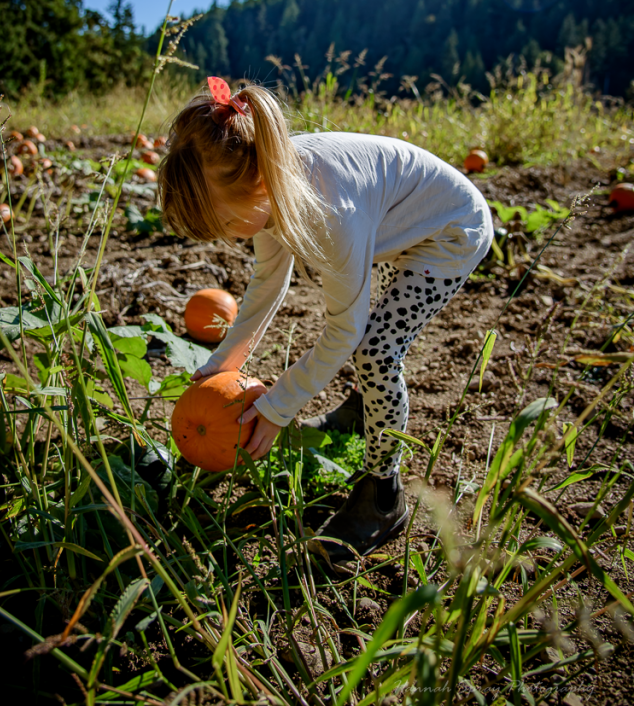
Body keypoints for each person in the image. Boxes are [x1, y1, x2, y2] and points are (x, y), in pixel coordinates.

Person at [158, 79, 493, 561]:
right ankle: (360, 413)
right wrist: (227, 358)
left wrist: (279, 406)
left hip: (452, 232)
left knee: (376, 350)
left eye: (226, 226)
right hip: (400, 221)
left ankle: (383, 493)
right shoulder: (263, 176)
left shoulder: (328, 210)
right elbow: (268, 281)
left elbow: (344, 330)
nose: (228, 238)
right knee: (367, 338)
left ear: (255, 188)